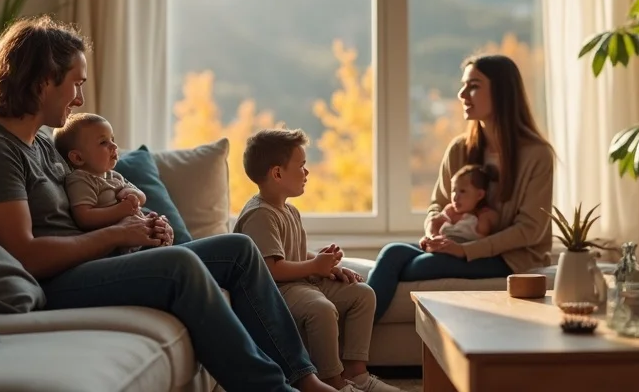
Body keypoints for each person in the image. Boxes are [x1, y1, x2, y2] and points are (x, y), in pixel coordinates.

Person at [0, 15, 339, 392]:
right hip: (54, 282)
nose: (79, 99)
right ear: (44, 81)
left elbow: (88, 203)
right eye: (76, 84)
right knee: (180, 266)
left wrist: (142, 227)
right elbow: (24, 256)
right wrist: (117, 234)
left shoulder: (42, 143)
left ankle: (305, 379)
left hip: (92, 261)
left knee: (239, 250)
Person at [367, 53, 555, 322]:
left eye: (473, 86)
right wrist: (434, 232)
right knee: (391, 252)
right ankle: (351, 341)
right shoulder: (459, 149)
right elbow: (438, 204)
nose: (462, 94)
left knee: (417, 267)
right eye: (463, 85)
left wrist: (467, 251)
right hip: (456, 243)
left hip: (510, 257)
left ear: (502, 92)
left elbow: (530, 229)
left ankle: (351, 339)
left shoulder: (537, 155)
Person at [234, 128, 400, 392]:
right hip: (275, 291)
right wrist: (314, 267)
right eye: (301, 166)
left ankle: (357, 374)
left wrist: (326, 264)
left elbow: (293, 254)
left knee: (362, 294)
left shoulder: (289, 210)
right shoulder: (260, 215)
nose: (307, 172)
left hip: (300, 283)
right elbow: (271, 269)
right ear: (277, 173)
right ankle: (332, 382)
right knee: (321, 309)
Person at [53, 113, 147, 242]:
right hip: (116, 245)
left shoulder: (114, 176)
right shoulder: (80, 179)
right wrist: (121, 209)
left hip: (138, 234)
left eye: (112, 140)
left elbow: (142, 197)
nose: (114, 146)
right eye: (103, 142)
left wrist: (131, 192)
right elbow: (84, 218)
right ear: (78, 158)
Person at [421, 164, 499, 246]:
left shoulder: (483, 217)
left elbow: (495, 229)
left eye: (462, 191)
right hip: (441, 245)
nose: (455, 197)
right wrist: (431, 236)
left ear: (479, 195)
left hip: (462, 251)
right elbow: (433, 221)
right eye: (453, 191)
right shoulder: (450, 210)